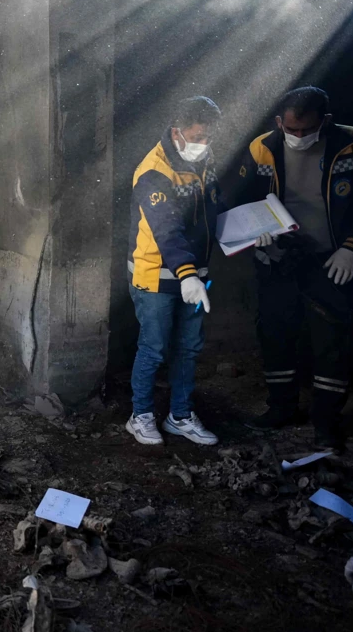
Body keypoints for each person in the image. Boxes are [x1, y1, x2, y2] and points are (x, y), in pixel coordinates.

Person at [239, 87, 353, 451]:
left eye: (307, 131)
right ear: (279, 122)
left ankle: (326, 421)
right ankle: (281, 408)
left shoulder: (352, 146)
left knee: (332, 340)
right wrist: (257, 234)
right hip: (281, 254)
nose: (299, 137)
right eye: (292, 130)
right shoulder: (263, 148)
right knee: (275, 331)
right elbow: (244, 198)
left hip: (331, 257)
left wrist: (352, 249)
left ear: (325, 121)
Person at [125, 96, 224, 447]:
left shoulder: (203, 161)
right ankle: (140, 416)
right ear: (176, 132)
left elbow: (210, 211)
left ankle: (180, 416)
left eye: (208, 138)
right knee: (154, 348)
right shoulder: (153, 170)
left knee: (190, 347)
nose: (203, 145)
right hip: (157, 276)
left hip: (195, 275)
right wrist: (187, 275)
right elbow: (166, 229)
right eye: (197, 137)